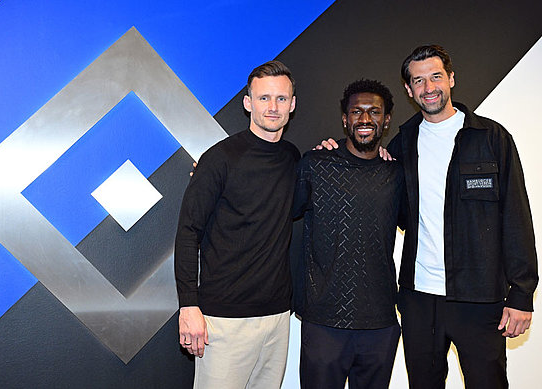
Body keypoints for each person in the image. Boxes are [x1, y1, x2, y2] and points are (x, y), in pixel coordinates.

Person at [320, 45, 538, 388]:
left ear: (451, 78)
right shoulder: (403, 143)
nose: (428, 87)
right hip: (419, 300)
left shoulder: (491, 138)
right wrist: (329, 151)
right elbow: (383, 196)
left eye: (436, 76)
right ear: (409, 91)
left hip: (479, 299)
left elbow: (516, 217)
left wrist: (522, 294)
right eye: (418, 80)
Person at [174, 60, 299, 389]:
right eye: (264, 98)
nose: (273, 107)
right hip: (223, 320)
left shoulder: (292, 158)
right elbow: (188, 233)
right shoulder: (219, 159)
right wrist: (188, 306)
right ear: (248, 103)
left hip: (277, 317)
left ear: (292, 104)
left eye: (281, 99)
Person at [293, 80, 404, 389]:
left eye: (374, 112)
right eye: (357, 111)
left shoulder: (397, 174)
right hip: (324, 322)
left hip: (380, 323)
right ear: (345, 119)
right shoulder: (315, 165)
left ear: (386, 120)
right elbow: (275, 209)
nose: (365, 120)